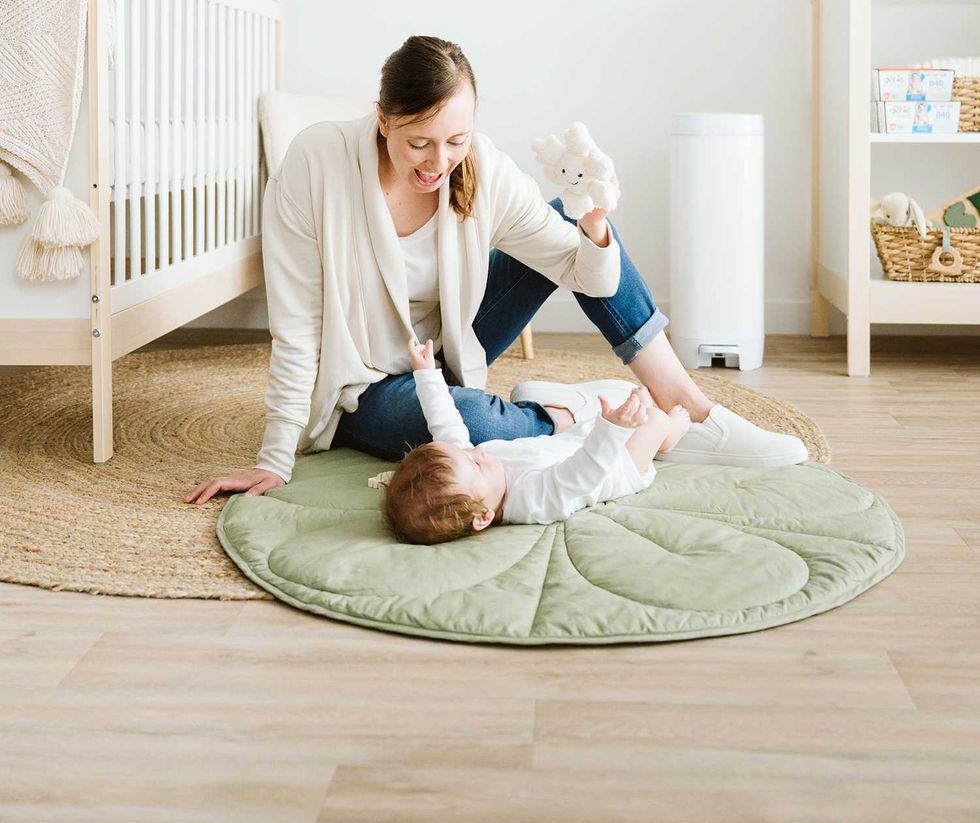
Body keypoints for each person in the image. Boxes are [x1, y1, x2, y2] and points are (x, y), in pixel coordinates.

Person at [184, 35, 807, 507]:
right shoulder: (315, 163)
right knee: (475, 428)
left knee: (570, 215)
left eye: (455, 141)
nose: (438, 163)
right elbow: (296, 328)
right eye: (418, 143)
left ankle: (693, 412)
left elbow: (587, 275)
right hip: (362, 385)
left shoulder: (479, 167)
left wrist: (594, 220)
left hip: (447, 351)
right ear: (383, 119)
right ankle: (576, 414)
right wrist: (276, 456)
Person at [381, 335, 692, 543]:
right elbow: (581, 476)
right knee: (652, 421)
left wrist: (426, 374)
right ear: (483, 516)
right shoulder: (532, 502)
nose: (478, 452)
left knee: (627, 407)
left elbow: (445, 424)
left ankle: (619, 415)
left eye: (467, 453)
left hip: (574, 443)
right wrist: (613, 432)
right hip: (616, 466)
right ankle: (670, 434)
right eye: (476, 464)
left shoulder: (472, 469)